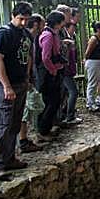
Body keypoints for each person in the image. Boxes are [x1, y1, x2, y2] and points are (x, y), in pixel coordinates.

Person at [0, 1, 33, 181]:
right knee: (4, 123)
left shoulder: (25, 34)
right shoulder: (3, 34)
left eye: (26, 20)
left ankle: (9, 157)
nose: (23, 23)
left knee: (15, 122)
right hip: (5, 83)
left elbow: (28, 55)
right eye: (21, 19)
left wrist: (27, 77)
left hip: (20, 81)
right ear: (13, 16)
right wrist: (6, 85)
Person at [36, 11, 66, 139]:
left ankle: (46, 128)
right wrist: (53, 70)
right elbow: (46, 57)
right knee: (51, 101)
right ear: (58, 23)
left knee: (54, 100)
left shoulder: (53, 34)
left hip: (52, 72)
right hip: (48, 74)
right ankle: (43, 130)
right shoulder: (48, 35)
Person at [18, 14, 45, 153]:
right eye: (42, 24)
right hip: (24, 78)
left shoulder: (31, 38)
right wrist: (27, 77)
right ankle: (23, 140)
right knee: (24, 109)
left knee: (29, 108)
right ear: (36, 24)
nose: (44, 27)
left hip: (29, 76)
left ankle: (28, 137)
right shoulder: (26, 37)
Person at [61, 22, 81, 124]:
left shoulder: (71, 39)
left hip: (69, 70)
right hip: (66, 71)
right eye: (73, 28)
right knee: (73, 91)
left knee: (66, 93)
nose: (74, 30)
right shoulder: (65, 41)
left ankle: (65, 114)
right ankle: (70, 116)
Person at [84, 22, 100, 111]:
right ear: (98, 29)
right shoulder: (94, 39)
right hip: (93, 62)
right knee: (92, 83)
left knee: (96, 82)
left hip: (98, 62)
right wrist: (86, 60)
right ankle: (90, 103)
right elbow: (88, 52)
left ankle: (93, 100)